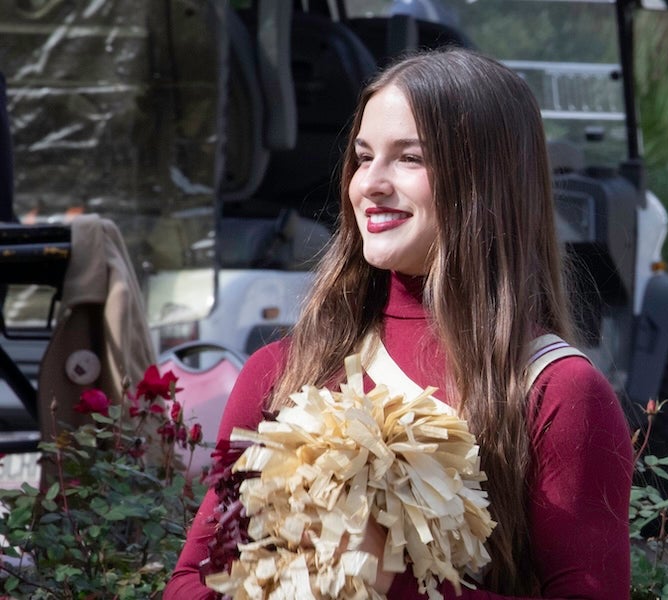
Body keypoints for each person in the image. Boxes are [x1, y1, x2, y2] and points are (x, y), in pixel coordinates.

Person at [165, 47, 632, 598]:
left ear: (488, 179)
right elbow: (192, 580)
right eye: (364, 157)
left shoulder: (556, 393)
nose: (370, 184)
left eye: (409, 158)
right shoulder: (285, 372)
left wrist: (388, 579)